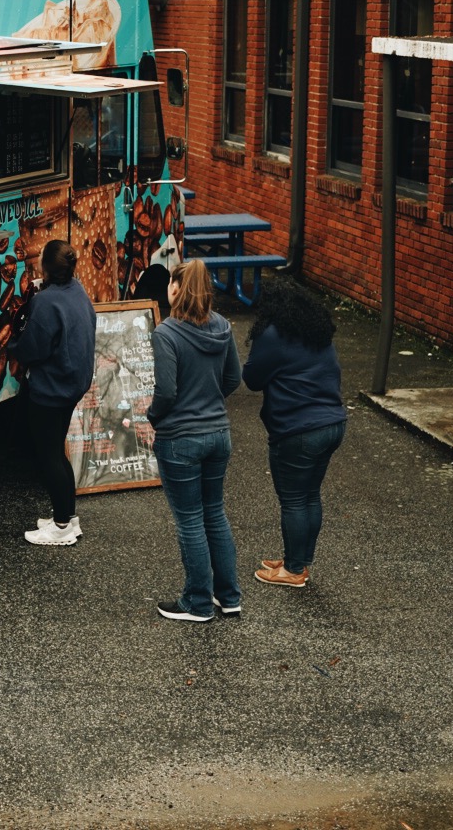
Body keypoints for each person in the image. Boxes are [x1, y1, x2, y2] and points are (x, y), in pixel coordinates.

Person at [147, 257, 242, 621]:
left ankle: (198, 603)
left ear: (176, 288)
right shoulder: (222, 326)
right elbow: (233, 378)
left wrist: (153, 416)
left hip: (180, 440)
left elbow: (166, 392)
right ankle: (228, 596)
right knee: (214, 514)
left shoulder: (167, 333)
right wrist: (209, 402)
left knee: (189, 520)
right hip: (219, 434)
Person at [243, 280, 347, 589]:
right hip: (333, 424)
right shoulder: (317, 333)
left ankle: (293, 569)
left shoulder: (273, 335)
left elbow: (252, 379)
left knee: (293, 500)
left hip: (298, 430)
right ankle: (297, 560)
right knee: (309, 495)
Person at [11, 239, 97, 545]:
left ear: (45, 268)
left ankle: (61, 526)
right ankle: (68, 518)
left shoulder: (46, 302)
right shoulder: (78, 291)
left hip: (51, 387)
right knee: (56, 452)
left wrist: (13, 346)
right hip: (74, 382)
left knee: (49, 456)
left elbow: (33, 348)